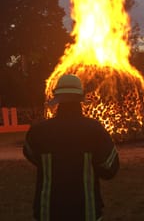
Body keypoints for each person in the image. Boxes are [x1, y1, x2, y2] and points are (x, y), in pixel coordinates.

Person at [23, 74, 119, 221]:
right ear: (80, 99)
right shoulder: (93, 129)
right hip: (85, 212)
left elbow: (31, 155)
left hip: (48, 212)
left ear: (57, 100)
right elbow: (110, 168)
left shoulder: (39, 130)